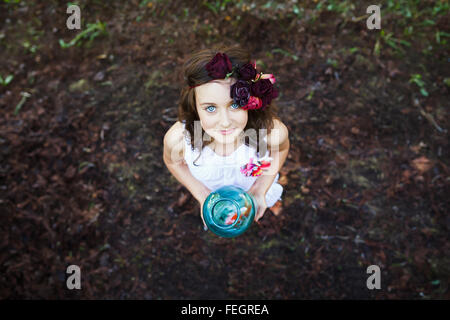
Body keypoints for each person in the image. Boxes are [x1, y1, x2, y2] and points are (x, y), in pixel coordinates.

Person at [163, 44, 290, 230]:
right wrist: (202, 194)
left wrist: (260, 188)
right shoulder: (180, 140)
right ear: (195, 106)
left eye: (234, 105)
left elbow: (281, 149)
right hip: (214, 196)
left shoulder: (269, 133)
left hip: (253, 187)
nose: (224, 122)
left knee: (262, 204)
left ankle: (270, 202)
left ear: (250, 100)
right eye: (211, 108)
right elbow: (174, 162)